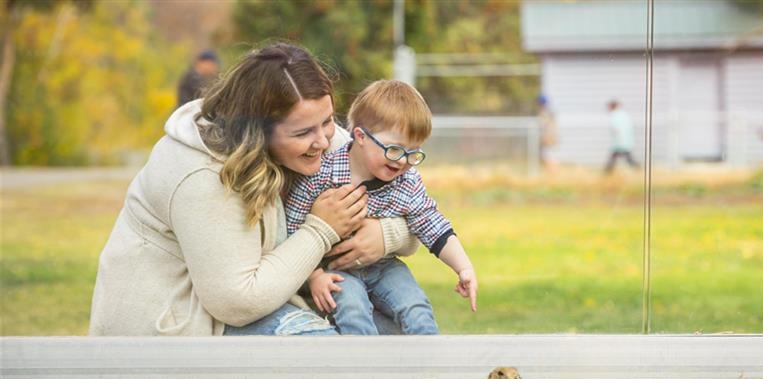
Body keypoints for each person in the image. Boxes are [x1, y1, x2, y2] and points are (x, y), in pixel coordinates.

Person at [89, 42, 419, 336]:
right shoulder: (202, 174)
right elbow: (236, 302)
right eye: (303, 132)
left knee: (398, 336)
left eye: (328, 121)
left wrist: (386, 234)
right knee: (325, 352)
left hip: (264, 301)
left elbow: (415, 203)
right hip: (178, 328)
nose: (324, 141)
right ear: (258, 132)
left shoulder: (327, 143)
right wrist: (322, 230)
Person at [285, 79, 478, 335]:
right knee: (352, 310)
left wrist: (464, 267)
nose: (404, 162)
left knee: (416, 308)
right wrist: (315, 276)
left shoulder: (406, 180)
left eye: (413, 153)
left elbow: (433, 225)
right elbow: (292, 228)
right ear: (361, 136)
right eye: (395, 150)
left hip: (384, 266)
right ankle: (365, 371)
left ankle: (429, 367)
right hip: (338, 269)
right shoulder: (320, 175)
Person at [604, 100, 639, 174]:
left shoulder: (614, 116)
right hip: (626, 140)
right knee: (625, 157)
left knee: (618, 157)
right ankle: (607, 171)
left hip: (619, 141)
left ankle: (607, 172)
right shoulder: (624, 115)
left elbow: (616, 129)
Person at [536, 94, 558, 171]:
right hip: (548, 138)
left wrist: (546, 138)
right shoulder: (547, 112)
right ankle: (552, 172)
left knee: (548, 156)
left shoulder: (546, 113)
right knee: (546, 155)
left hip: (548, 138)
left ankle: (553, 172)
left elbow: (546, 126)